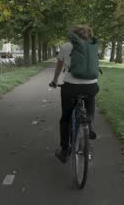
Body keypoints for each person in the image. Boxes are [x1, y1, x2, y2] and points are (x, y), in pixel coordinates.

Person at [49, 24, 99, 163]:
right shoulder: (93, 46)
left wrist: (54, 80)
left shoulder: (66, 46)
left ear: (74, 34)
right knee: (90, 102)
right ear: (89, 34)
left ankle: (64, 150)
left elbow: (59, 66)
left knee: (65, 119)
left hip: (71, 87)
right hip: (91, 86)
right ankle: (90, 123)